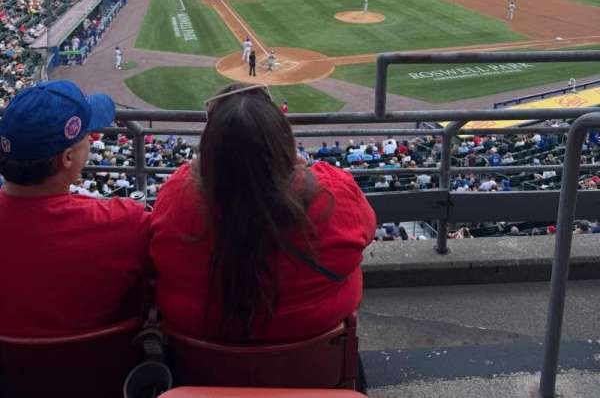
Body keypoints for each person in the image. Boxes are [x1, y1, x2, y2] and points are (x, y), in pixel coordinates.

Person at [149, 83, 376, 341]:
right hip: (315, 370)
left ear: (209, 154)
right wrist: (301, 171)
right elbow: (367, 230)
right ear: (286, 147)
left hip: (197, 373)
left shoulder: (175, 197)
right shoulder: (336, 197)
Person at [0, 80, 150, 336]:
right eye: (87, 136)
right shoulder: (124, 222)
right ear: (67, 157)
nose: (91, 141)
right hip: (101, 371)